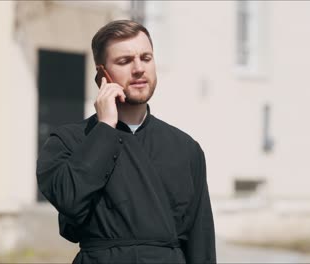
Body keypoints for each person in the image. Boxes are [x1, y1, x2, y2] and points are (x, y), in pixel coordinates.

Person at [37, 20, 216, 264]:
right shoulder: (68, 141)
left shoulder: (186, 148)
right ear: (102, 75)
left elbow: (201, 243)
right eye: (125, 61)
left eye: (146, 58)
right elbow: (70, 200)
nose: (139, 68)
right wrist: (105, 129)